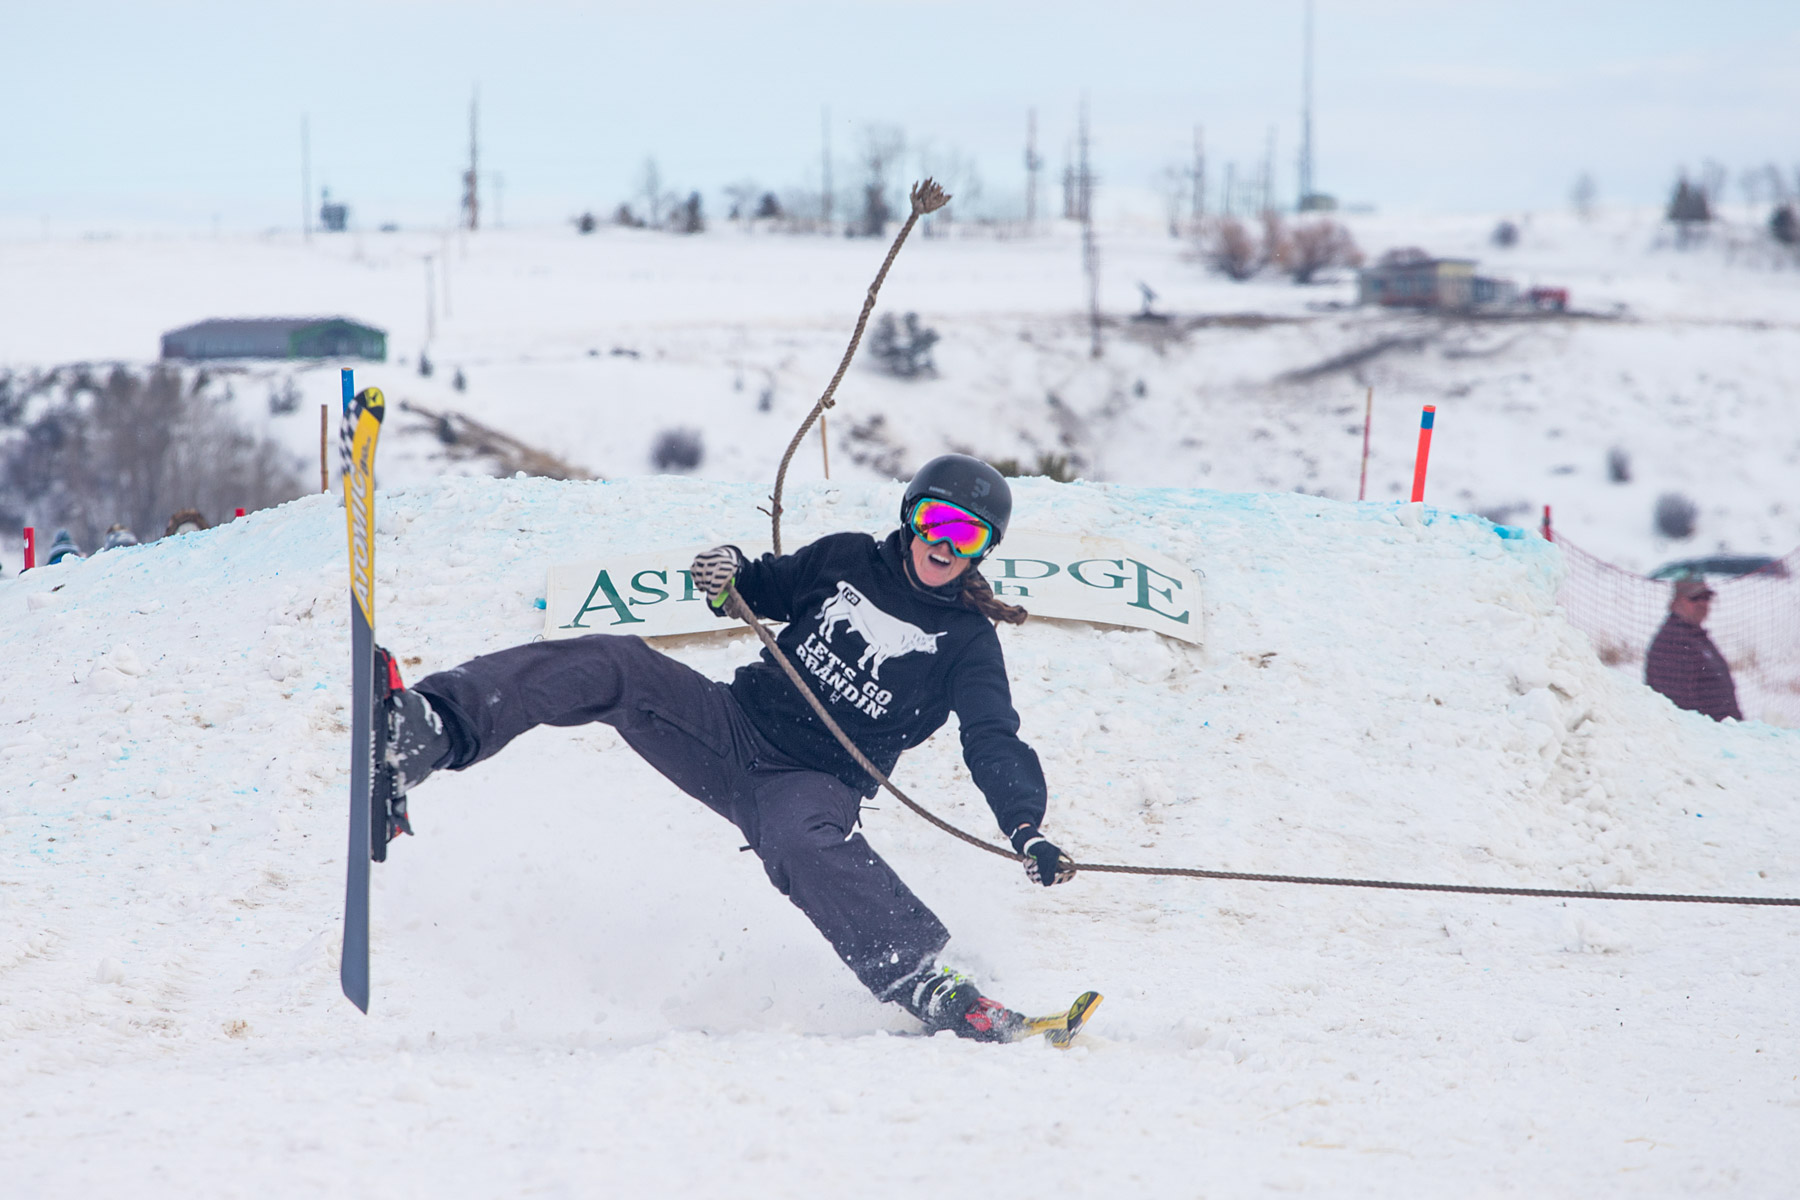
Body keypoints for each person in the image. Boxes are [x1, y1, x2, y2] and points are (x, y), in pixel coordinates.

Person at [377, 454, 1076, 1041]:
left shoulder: (967, 644)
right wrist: (729, 571)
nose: (944, 547)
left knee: (803, 842)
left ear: (984, 550)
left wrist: (1025, 825)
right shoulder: (844, 559)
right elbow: (762, 585)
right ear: (910, 516)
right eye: (935, 523)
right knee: (619, 664)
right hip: (728, 724)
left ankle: (924, 979)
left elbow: (992, 737)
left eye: (968, 537)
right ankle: (433, 728)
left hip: (812, 782)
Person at [1644, 575, 1742, 722]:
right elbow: (1675, 707)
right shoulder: (1672, 641)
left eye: (1706, 597)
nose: (1702, 603)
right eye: (1695, 598)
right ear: (1676, 601)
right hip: (1699, 738)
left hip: (1722, 734)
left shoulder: (1696, 635)